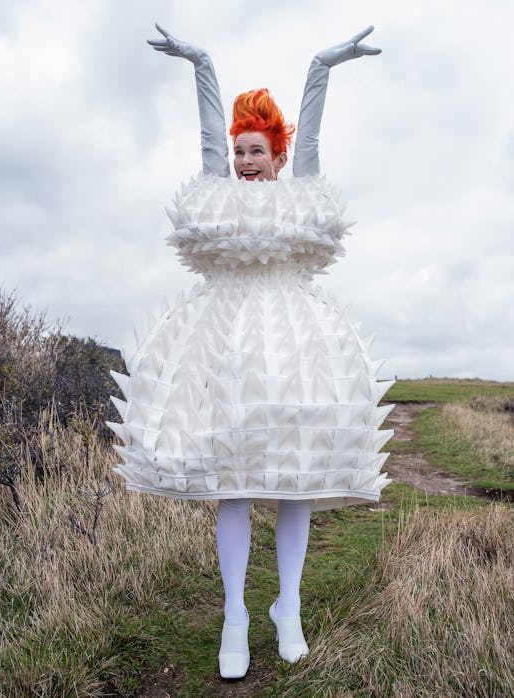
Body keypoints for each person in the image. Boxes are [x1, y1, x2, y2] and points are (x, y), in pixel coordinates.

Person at [108, 24, 393, 680]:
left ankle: (287, 608)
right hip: (226, 343)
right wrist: (200, 63)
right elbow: (208, 133)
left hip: (292, 346)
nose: (243, 161)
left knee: (295, 482)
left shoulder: (300, 193)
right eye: (239, 152)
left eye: (255, 151)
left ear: (277, 153)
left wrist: (323, 67)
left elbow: (313, 134)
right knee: (231, 483)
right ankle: (236, 614)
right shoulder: (221, 194)